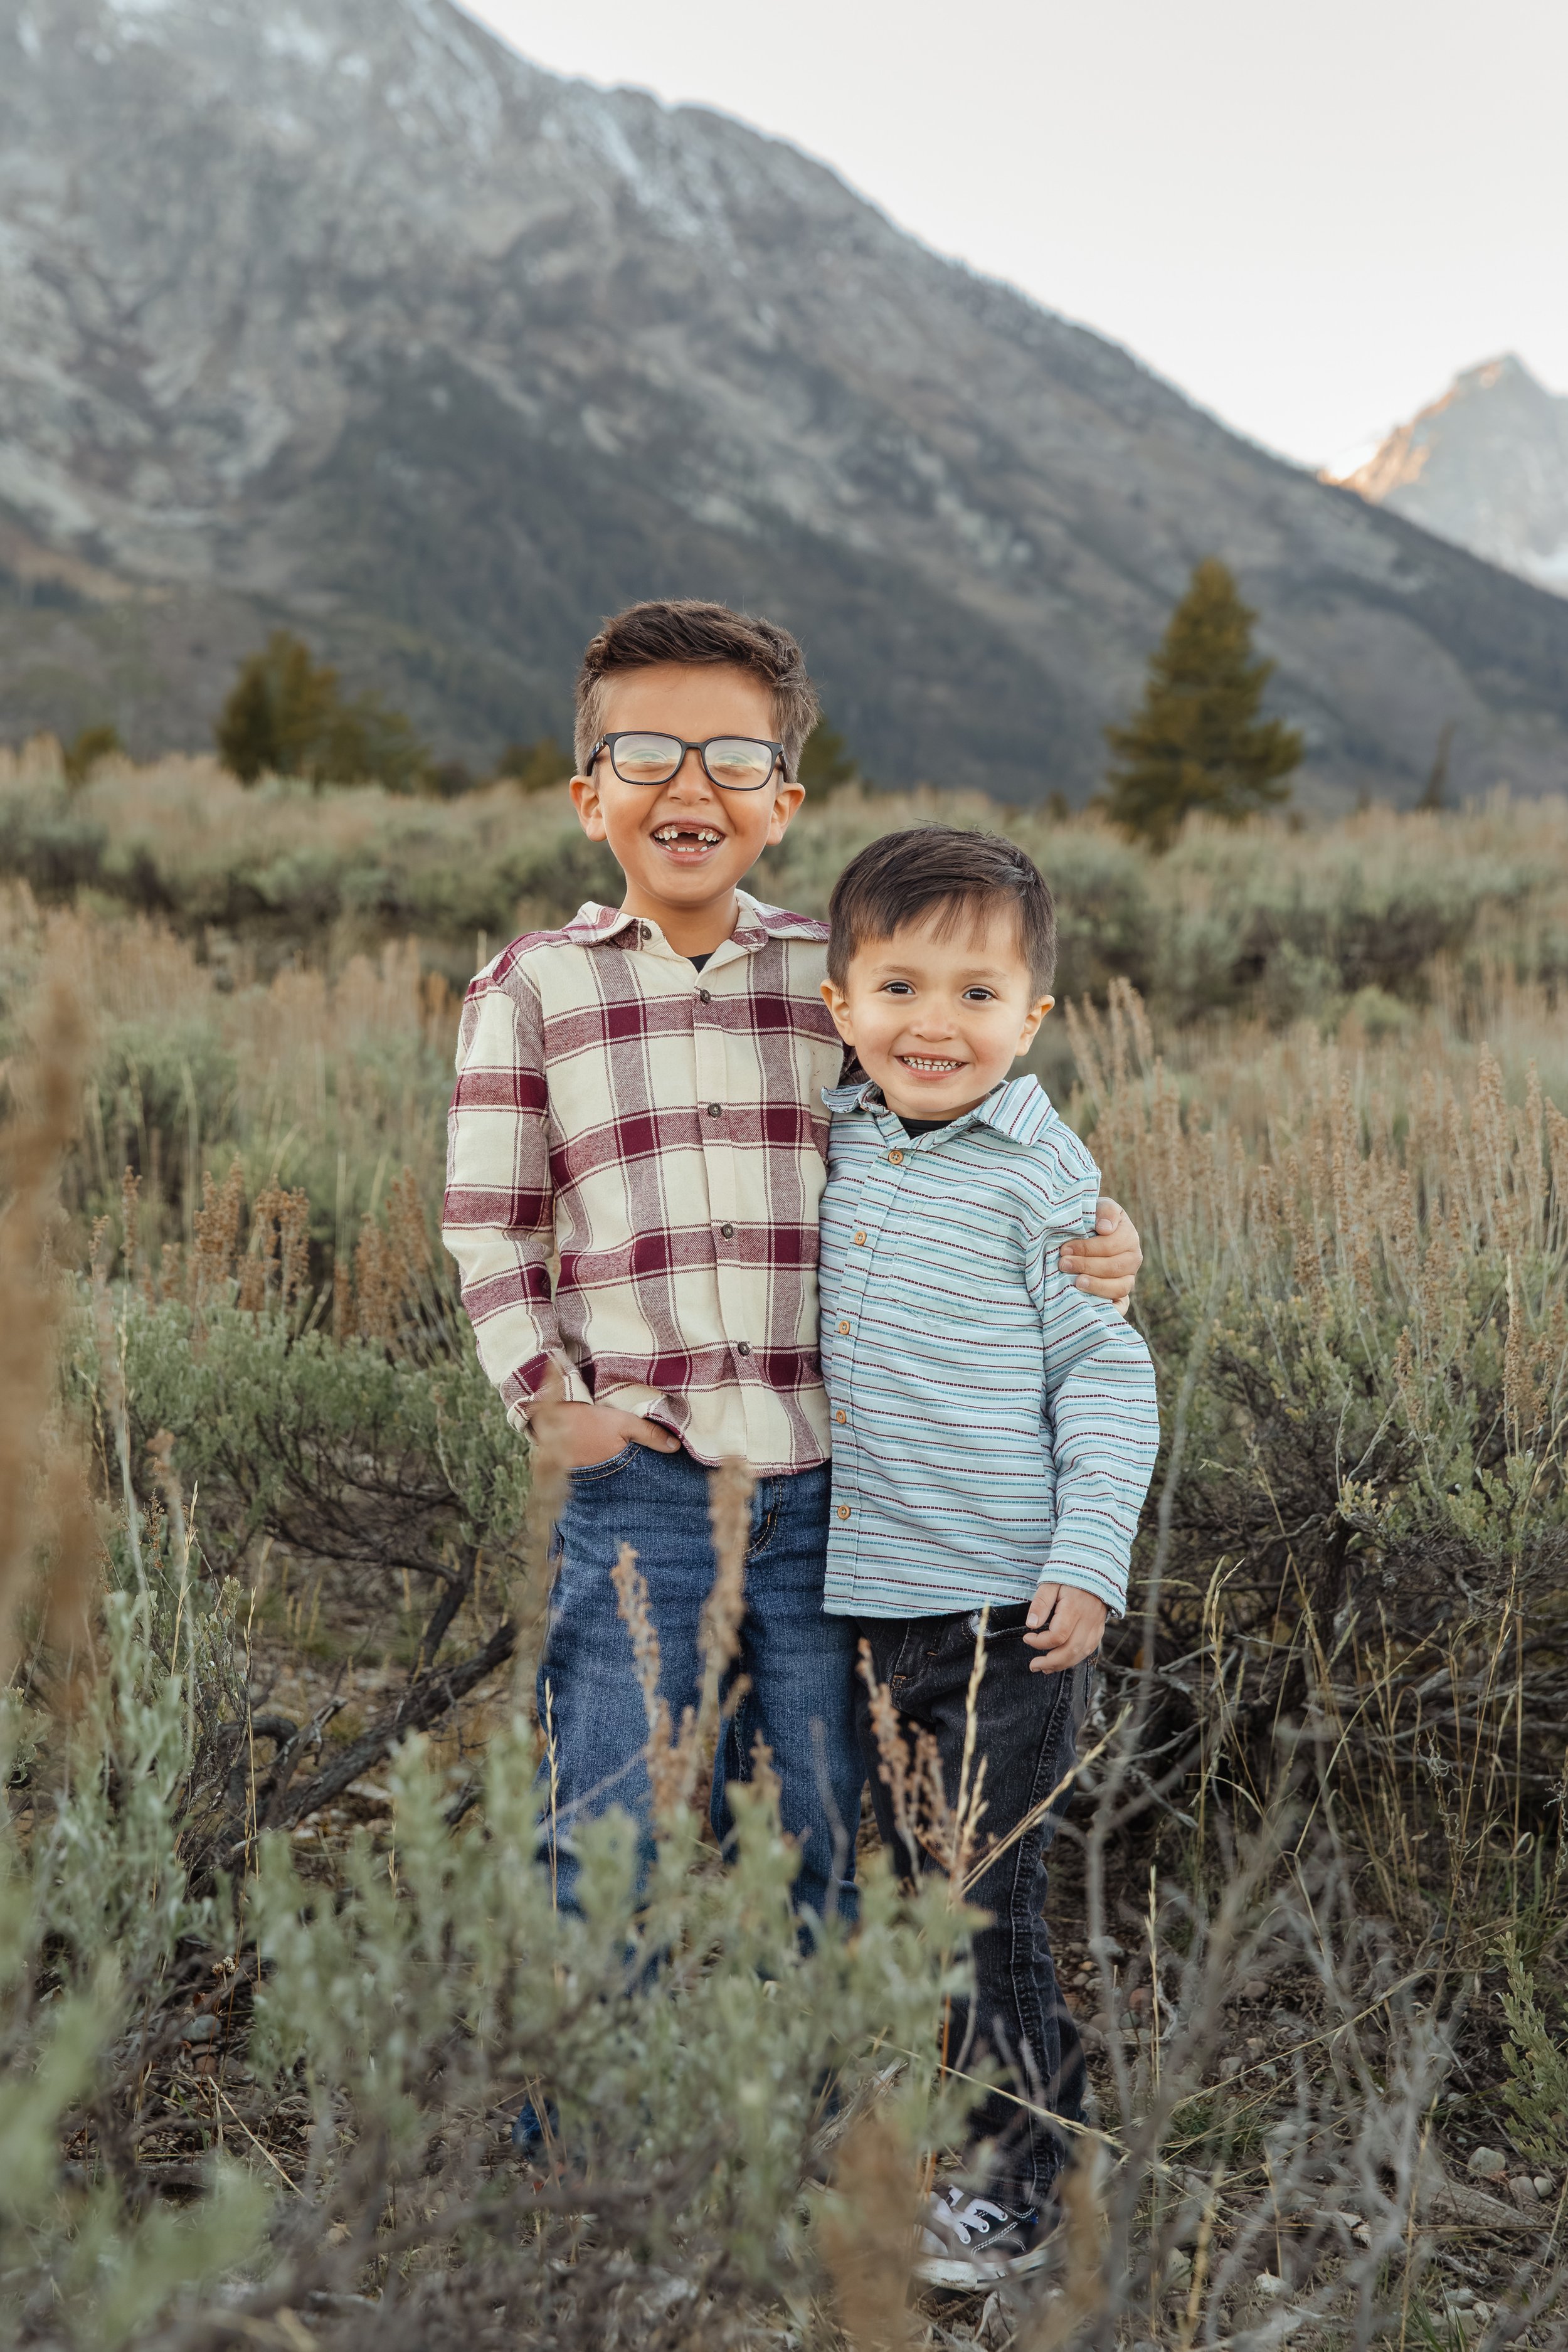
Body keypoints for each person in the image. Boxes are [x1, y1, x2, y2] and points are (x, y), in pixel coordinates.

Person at [442, 598, 1143, 1925]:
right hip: (640, 1478)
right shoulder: (534, 987)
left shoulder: (841, 975)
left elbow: (970, 1117)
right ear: (591, 798)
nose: (690, 787)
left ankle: (803, 2116)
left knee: (822, 1824)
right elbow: (491, 1222)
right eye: (646, 756)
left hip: (832, 1490)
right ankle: (581, 2129)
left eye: (734, 760)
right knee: (605, 1822)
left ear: (783, 801)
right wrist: (546, 1400)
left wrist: (1095, 1234)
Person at [817, 825, 1160, 2280]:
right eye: (896, 988)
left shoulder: (1046, 1181)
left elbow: (1105, 1372)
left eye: (974, 996)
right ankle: (892, 2131)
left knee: (982, 1902)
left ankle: (1024, 2189)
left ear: (1031, 1019)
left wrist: (1084, 1557)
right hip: (852, 1601)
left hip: (1002, 1614)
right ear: (837, 1006)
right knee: (888, 1886)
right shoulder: (827, 1135)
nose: (932, 1025)